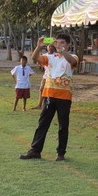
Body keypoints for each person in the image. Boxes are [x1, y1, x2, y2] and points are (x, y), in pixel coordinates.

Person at [20, 34, 78, 162]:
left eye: (62, 43)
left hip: (64, 97)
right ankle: (35, 150)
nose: (59, 45)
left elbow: (73, 63)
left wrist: (62, 50)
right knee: (43, 124)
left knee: (63, 126)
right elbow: (35, 58)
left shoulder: (72, 57)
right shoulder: (51, 57)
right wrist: (39, 46)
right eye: (57, 42)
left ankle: (61, 153)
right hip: (49, 95)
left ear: (68, 44)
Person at [30, 43, 56, 110]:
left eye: (52, 46)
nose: (50, 48)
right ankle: (39, 104)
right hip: (46, 76)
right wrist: (39, 46)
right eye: (49, 46)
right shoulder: (44, 55)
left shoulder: (56, 55)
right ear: (47, 47)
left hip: (54, 77)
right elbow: (35, 58)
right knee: (41, 89)